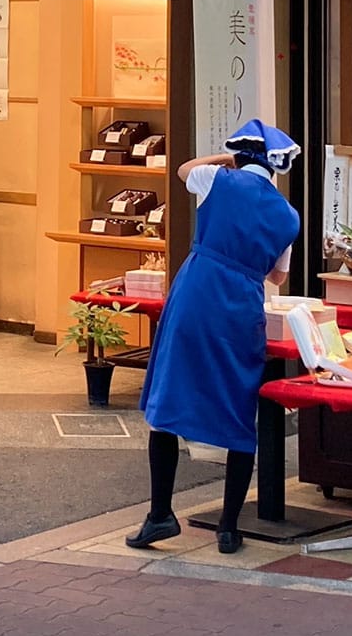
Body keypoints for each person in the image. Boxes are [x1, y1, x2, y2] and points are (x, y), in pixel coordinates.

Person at [127, 119, 301, 554]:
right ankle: (228, 527)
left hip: (196, 293)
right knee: (239, 408)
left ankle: (160, 515)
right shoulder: (288, 215)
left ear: (239, 155)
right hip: (242, 306)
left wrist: (227, 160)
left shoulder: (217, 180)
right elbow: (278, 276)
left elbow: (183, 170)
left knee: (168, 403)